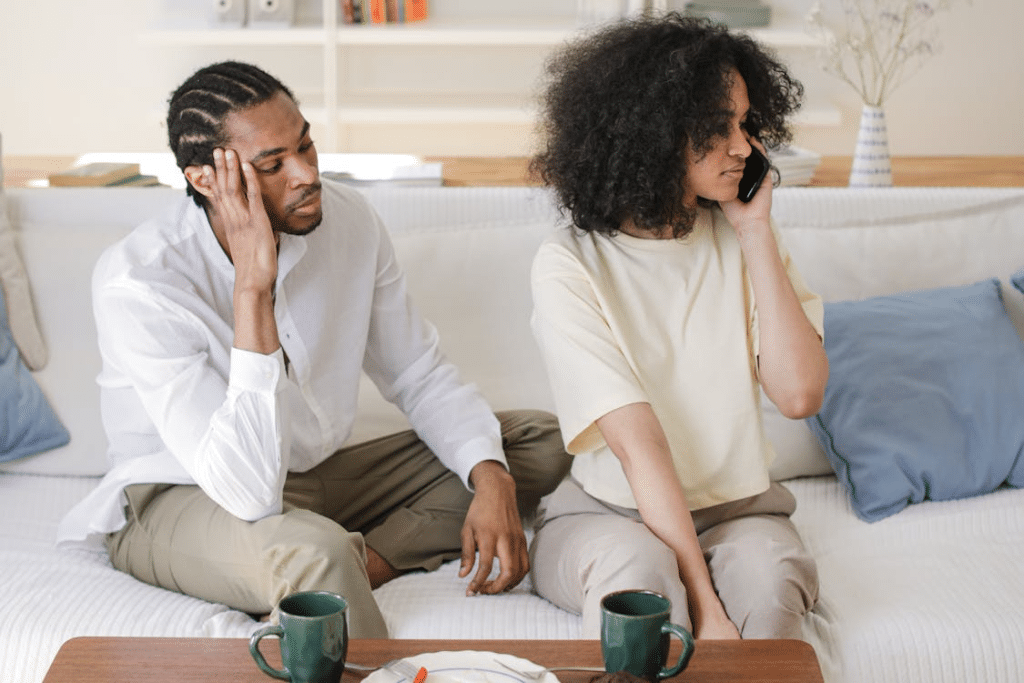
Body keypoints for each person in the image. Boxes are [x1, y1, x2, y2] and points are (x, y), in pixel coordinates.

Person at [57, 60, 570, 637]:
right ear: (207, 180)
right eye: (272, 165)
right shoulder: (141, 282)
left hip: (314, 476)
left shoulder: (349, 221)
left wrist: (492, 479)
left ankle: (361, 564)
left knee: (535, 443)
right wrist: (253, 286)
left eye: (306, 146)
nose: (305, 174)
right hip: (182, 493)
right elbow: (248, 490)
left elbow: (418, 374)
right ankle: (330, 580)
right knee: (314, 549)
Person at [527, 15, 829, 640]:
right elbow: (642, 448)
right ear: (654, 135)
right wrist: (707, 605)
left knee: (770, 584)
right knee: (642, 589)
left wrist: (753, 231)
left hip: (741, 513)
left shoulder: (749, 242)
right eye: (718, 128)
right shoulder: (569, 264)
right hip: (609, 514)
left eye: (745, 123)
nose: (743, 146)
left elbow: (800, 395)